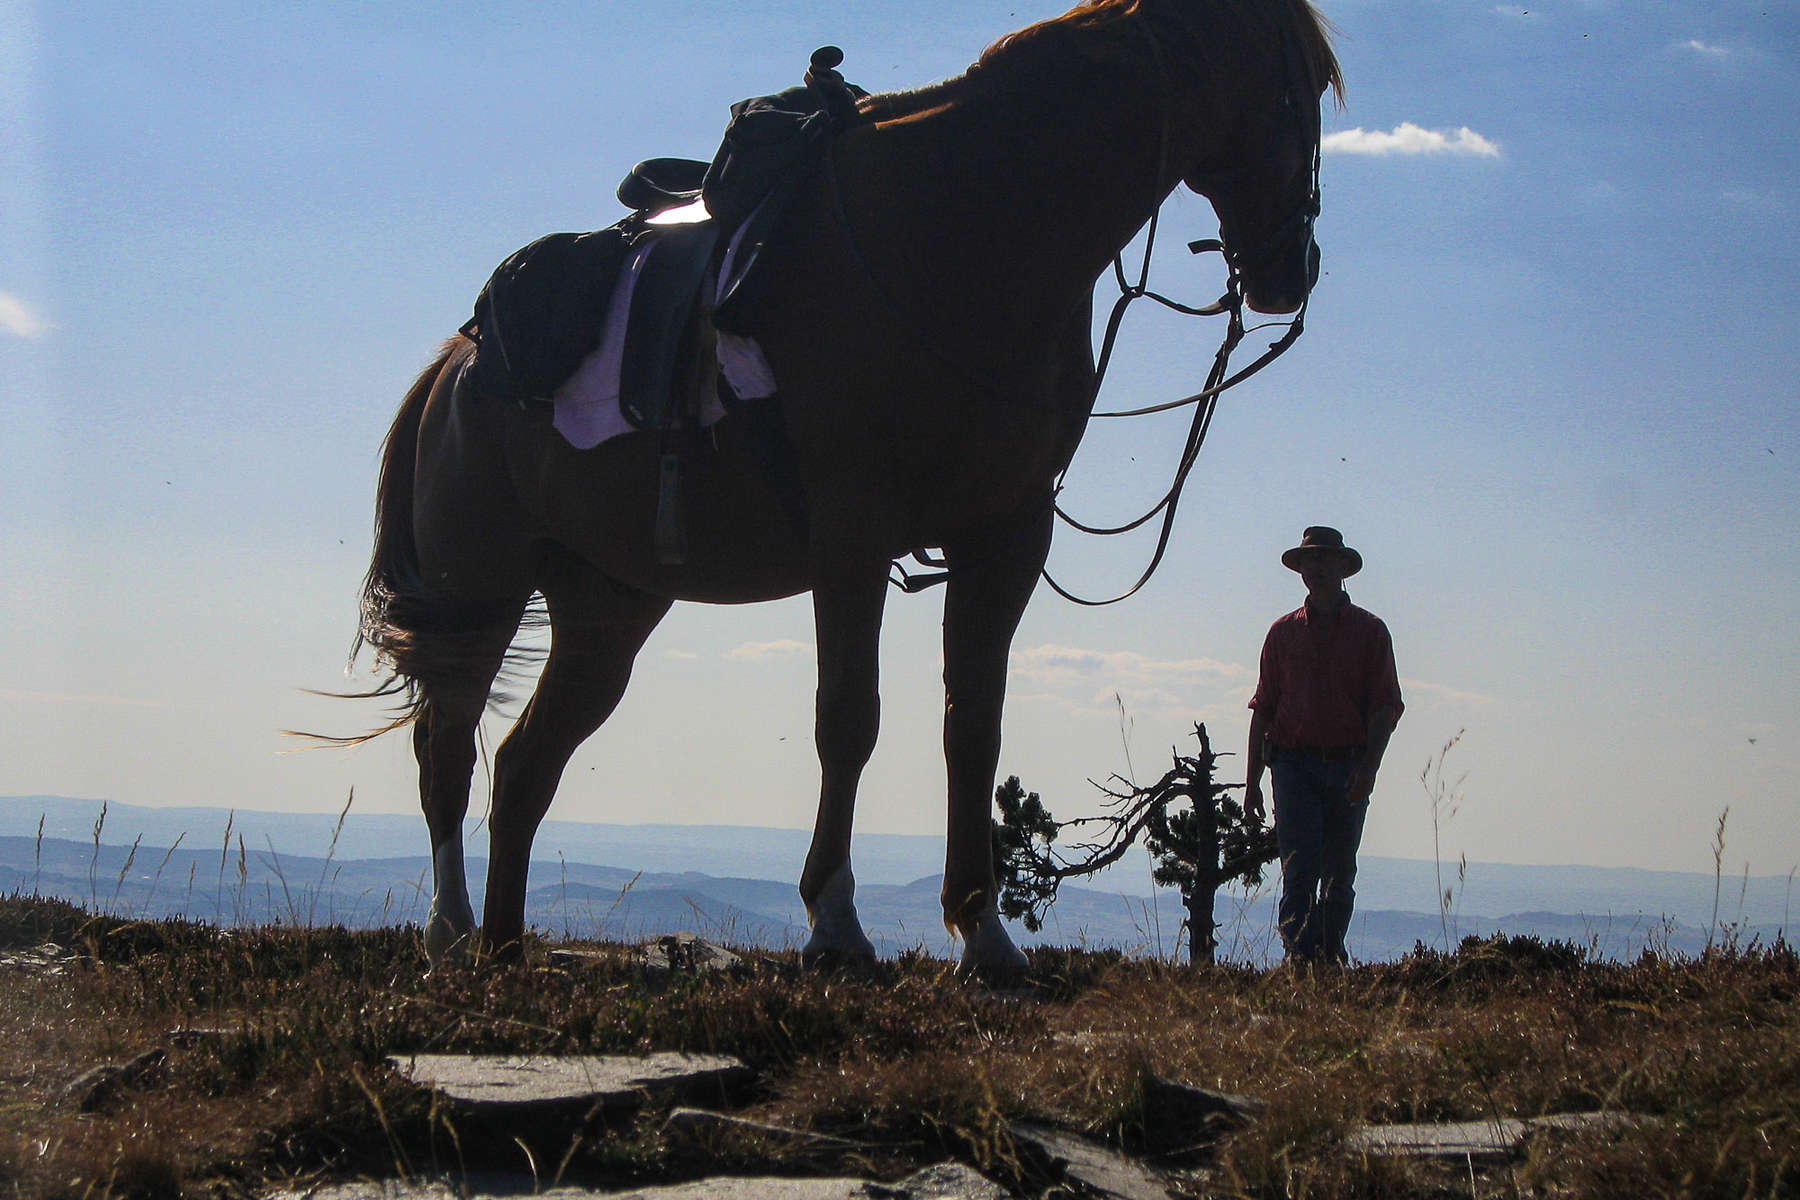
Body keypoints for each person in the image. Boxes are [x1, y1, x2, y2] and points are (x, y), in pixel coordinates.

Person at [1244, 527, 1403, 964]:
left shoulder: (1370, 632)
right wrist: (1252, 782)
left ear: (1341, 567)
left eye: (1322, 560)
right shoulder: (1282, 634)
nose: (1314, 569)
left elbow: (1385, 709)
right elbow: (1264, 710)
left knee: (1338, 874)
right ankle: (1302, 961)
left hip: (1348, 765)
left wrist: (1369, 767)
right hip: (1293, 766)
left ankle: (1327, 958)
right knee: (1300, 873)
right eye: (1308, 561)